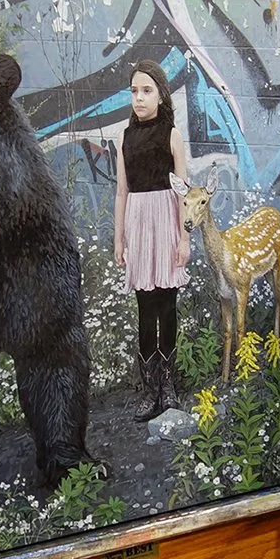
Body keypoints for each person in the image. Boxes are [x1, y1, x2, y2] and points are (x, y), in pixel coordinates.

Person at [114, 60, 190, 422]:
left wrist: (185, 239)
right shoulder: (125, 138)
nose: (139, 98)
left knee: (167, 306)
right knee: (145, 309)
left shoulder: (172, 135)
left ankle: (169, 385)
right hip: (139, 225)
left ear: (161, 94)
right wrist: (119, 239)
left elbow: (184, 194)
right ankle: (150, 390)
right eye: (134, 91)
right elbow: (121, 193)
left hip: (166, 223)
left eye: (147, 90)